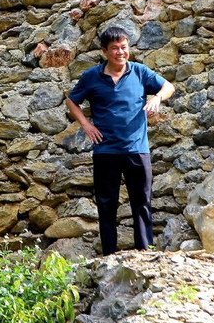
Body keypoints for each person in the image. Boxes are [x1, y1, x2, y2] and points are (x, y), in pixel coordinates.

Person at [64, 25, 175, 254]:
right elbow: (72, 101)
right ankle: (109, 256)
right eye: (115, 48)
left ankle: (146, 254)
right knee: (107, 206)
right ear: (104, 50)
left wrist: (157, 98)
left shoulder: (139, 72)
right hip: (105, 151)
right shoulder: (91, 76)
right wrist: (85, 125)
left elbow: (168, 86)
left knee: (142, 204)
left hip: (137, 149)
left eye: (124, 47)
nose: (120, 52)